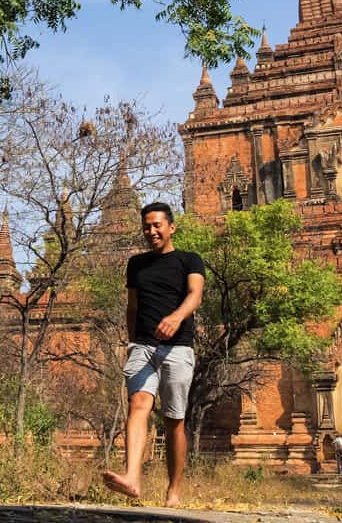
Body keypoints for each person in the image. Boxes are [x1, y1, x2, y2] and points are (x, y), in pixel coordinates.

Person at [102, 202, 205, 508]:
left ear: (171, 227)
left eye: (157, 225)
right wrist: (132, 340)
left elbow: (195, 295)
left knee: (174, 420)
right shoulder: (135, 265)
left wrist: (176, 318)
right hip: (143, 346)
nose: (151, 231)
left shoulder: (190, 260)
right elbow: (131, 306)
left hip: (178, 347)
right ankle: (132, 477)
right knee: (138, 405)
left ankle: (173, 489)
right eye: (147, 226)